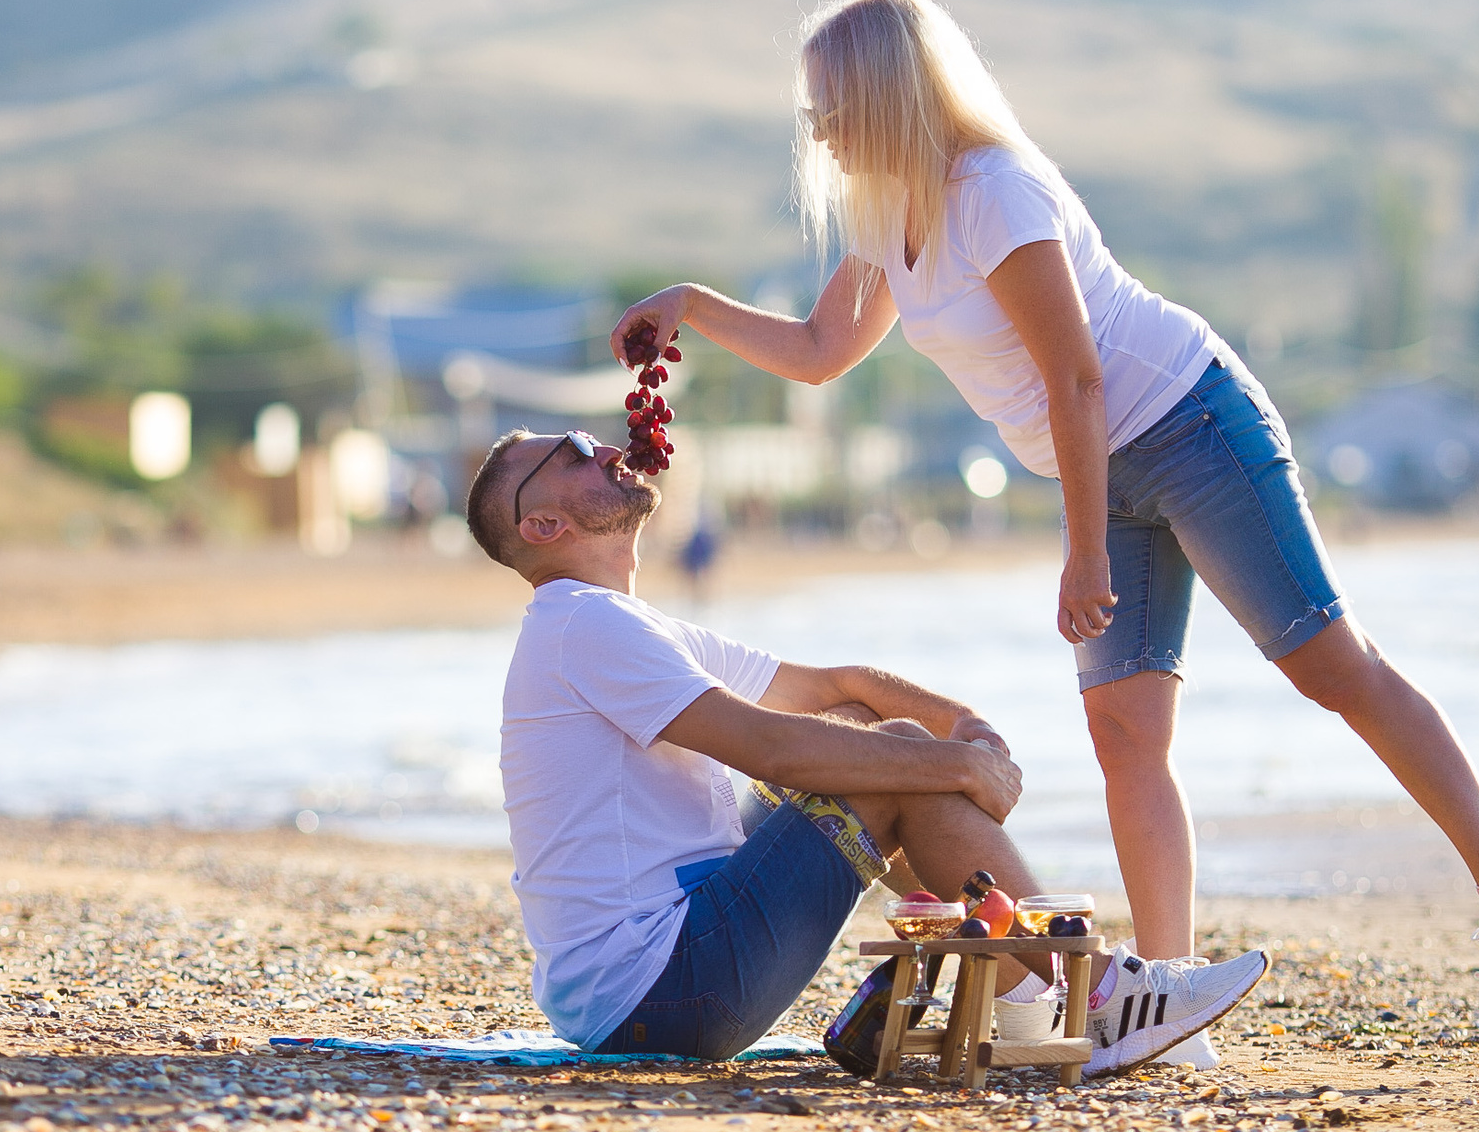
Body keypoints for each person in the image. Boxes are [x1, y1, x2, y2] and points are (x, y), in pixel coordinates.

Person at [612, 0, 1479, 1040]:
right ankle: (1171, 997)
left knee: (1325, 663)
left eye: (829, 105)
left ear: (886, 93)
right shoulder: (886, 217)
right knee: (1125, 732)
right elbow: (819, 352)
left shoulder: (993, 191)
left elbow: (1076, 376)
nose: (818, 131)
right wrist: (691, 307)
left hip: (1189, 423)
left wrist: (1080, 554)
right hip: (1100, 465)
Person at [465, 423, 1271, 1073]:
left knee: (871, 730)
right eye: (569, 452)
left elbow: (826, 689)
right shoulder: (582, 620)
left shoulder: (618, 622)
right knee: (892, 764)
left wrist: (965, 726)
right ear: (543, 526)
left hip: (660, 974)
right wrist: (953, 764)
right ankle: (1090, 993)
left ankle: (1031, 994)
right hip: (665, 986)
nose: (597, 442)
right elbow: (768, 747)